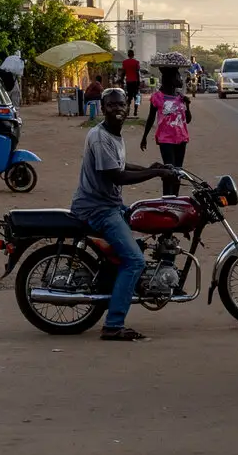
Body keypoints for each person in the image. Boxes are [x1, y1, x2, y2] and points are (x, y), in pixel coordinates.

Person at [69, 87, 174, 343]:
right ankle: (113, 325)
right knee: (135, 261)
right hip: (97, 208)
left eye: (121, 104)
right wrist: (155, 174)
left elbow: (120, 165)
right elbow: (116, 176)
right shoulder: (100, 137)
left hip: (110, 204)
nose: (117, 109)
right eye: (111, 105)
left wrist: (149, 167)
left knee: (147, 225)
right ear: (102, 108)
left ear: (128, 107)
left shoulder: (113, 134)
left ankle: (122, 283)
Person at [139, 65, 194, 195]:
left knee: (178, 171)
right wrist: (144, 137)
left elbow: (188, 120)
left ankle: (175, 199)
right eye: (177, 76)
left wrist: (187, 106)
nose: (180, 79)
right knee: (169, 171)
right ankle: (167, 198)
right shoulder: (157, 97)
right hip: (166, 139)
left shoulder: (180, 97)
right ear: (170, 78)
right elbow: (151, 118)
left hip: (181, 138)